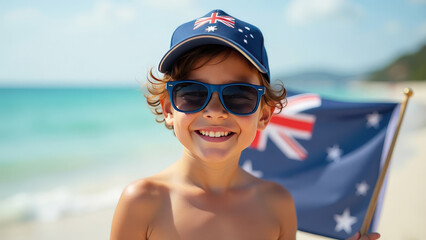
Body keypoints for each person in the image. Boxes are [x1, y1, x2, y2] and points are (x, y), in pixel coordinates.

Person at [110, 9, 381, 240]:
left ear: (264, 114)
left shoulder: (277, 204)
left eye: (238, 96)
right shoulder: (143, 202)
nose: (214, 112)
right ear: (169, 108)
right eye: (192, 93)